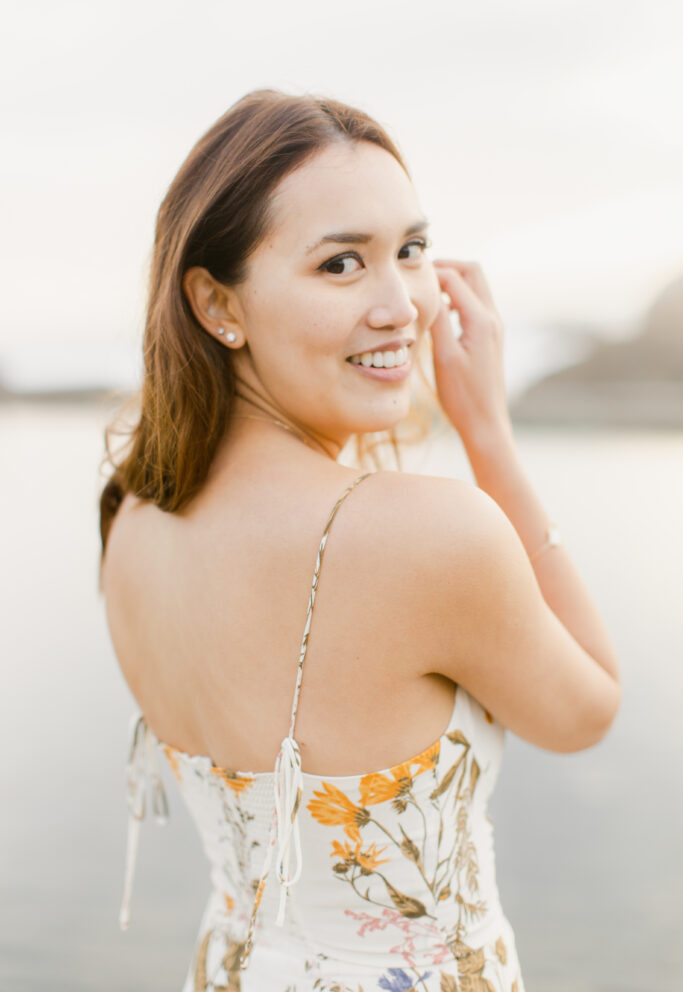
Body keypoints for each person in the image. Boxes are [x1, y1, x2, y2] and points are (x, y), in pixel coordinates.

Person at [98, 89, 620, 992]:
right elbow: (587, 708)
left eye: (410, 252)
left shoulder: (131, 520)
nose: (402, 307)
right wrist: (487, 434)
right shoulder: (422, 533)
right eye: (341, 264)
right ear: (217, 304)